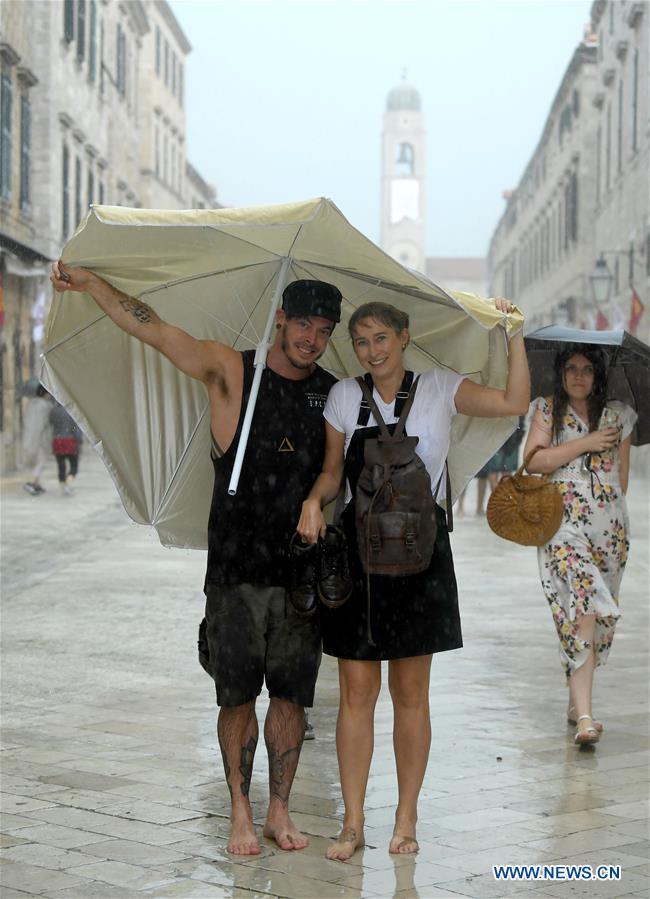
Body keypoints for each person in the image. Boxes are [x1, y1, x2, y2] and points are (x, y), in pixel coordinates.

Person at [50, 262, 340, 855]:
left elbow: (334, 471)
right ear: (280, 319)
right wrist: (95, 286)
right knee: (235, 697)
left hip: (299, 573)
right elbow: (155, 330)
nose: (312, 338)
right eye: (304, 323)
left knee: (291, 698)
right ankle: (239, 809)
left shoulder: (329, 391)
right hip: (235, 570)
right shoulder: (232, 371)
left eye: (325, 330)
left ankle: (278, 811)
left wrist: (316, 499)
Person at [296, 298, 529, 860]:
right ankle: (352, 824)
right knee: (356, 692)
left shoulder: (442, 387)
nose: (372, 351)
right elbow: (333, 471)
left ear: (404, 337)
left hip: (422, 559)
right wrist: (313, 500)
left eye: (381, 338)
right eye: (361, 341)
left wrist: (514, 334)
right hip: (358, 562)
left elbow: (514, 401)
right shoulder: (344, 396)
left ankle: (406, 818)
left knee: (410, 694)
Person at [523, 345, 636, 746]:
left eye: (587, 369)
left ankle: (577, 699)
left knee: (596, 622)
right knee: (582, 604)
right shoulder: (546, 409)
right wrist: (585, 444)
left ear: (598, 375)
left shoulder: (619, 415)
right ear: (560, 372)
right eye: (571, 368)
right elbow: (533, 462)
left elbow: (621, 480)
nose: (578, 376)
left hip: (610, 529)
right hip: (561, 525)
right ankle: (586, 716)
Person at [22, 384, 52, 495]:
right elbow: (44, 424)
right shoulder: (45, 406)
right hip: (40, 438)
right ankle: (33, 483)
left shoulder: (30, 404)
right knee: (41, 462)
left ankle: (37, 484)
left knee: (37, 462)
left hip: (29, 436)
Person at [50, 400, 83, 495]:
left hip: (57, 440)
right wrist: (79, 440)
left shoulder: (54, 410)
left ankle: (63, 486)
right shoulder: (72, 410)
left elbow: (51, 422)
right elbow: (75, 427)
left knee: (61, 465)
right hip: (69, 441)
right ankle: (67, 484)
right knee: (74, 465)